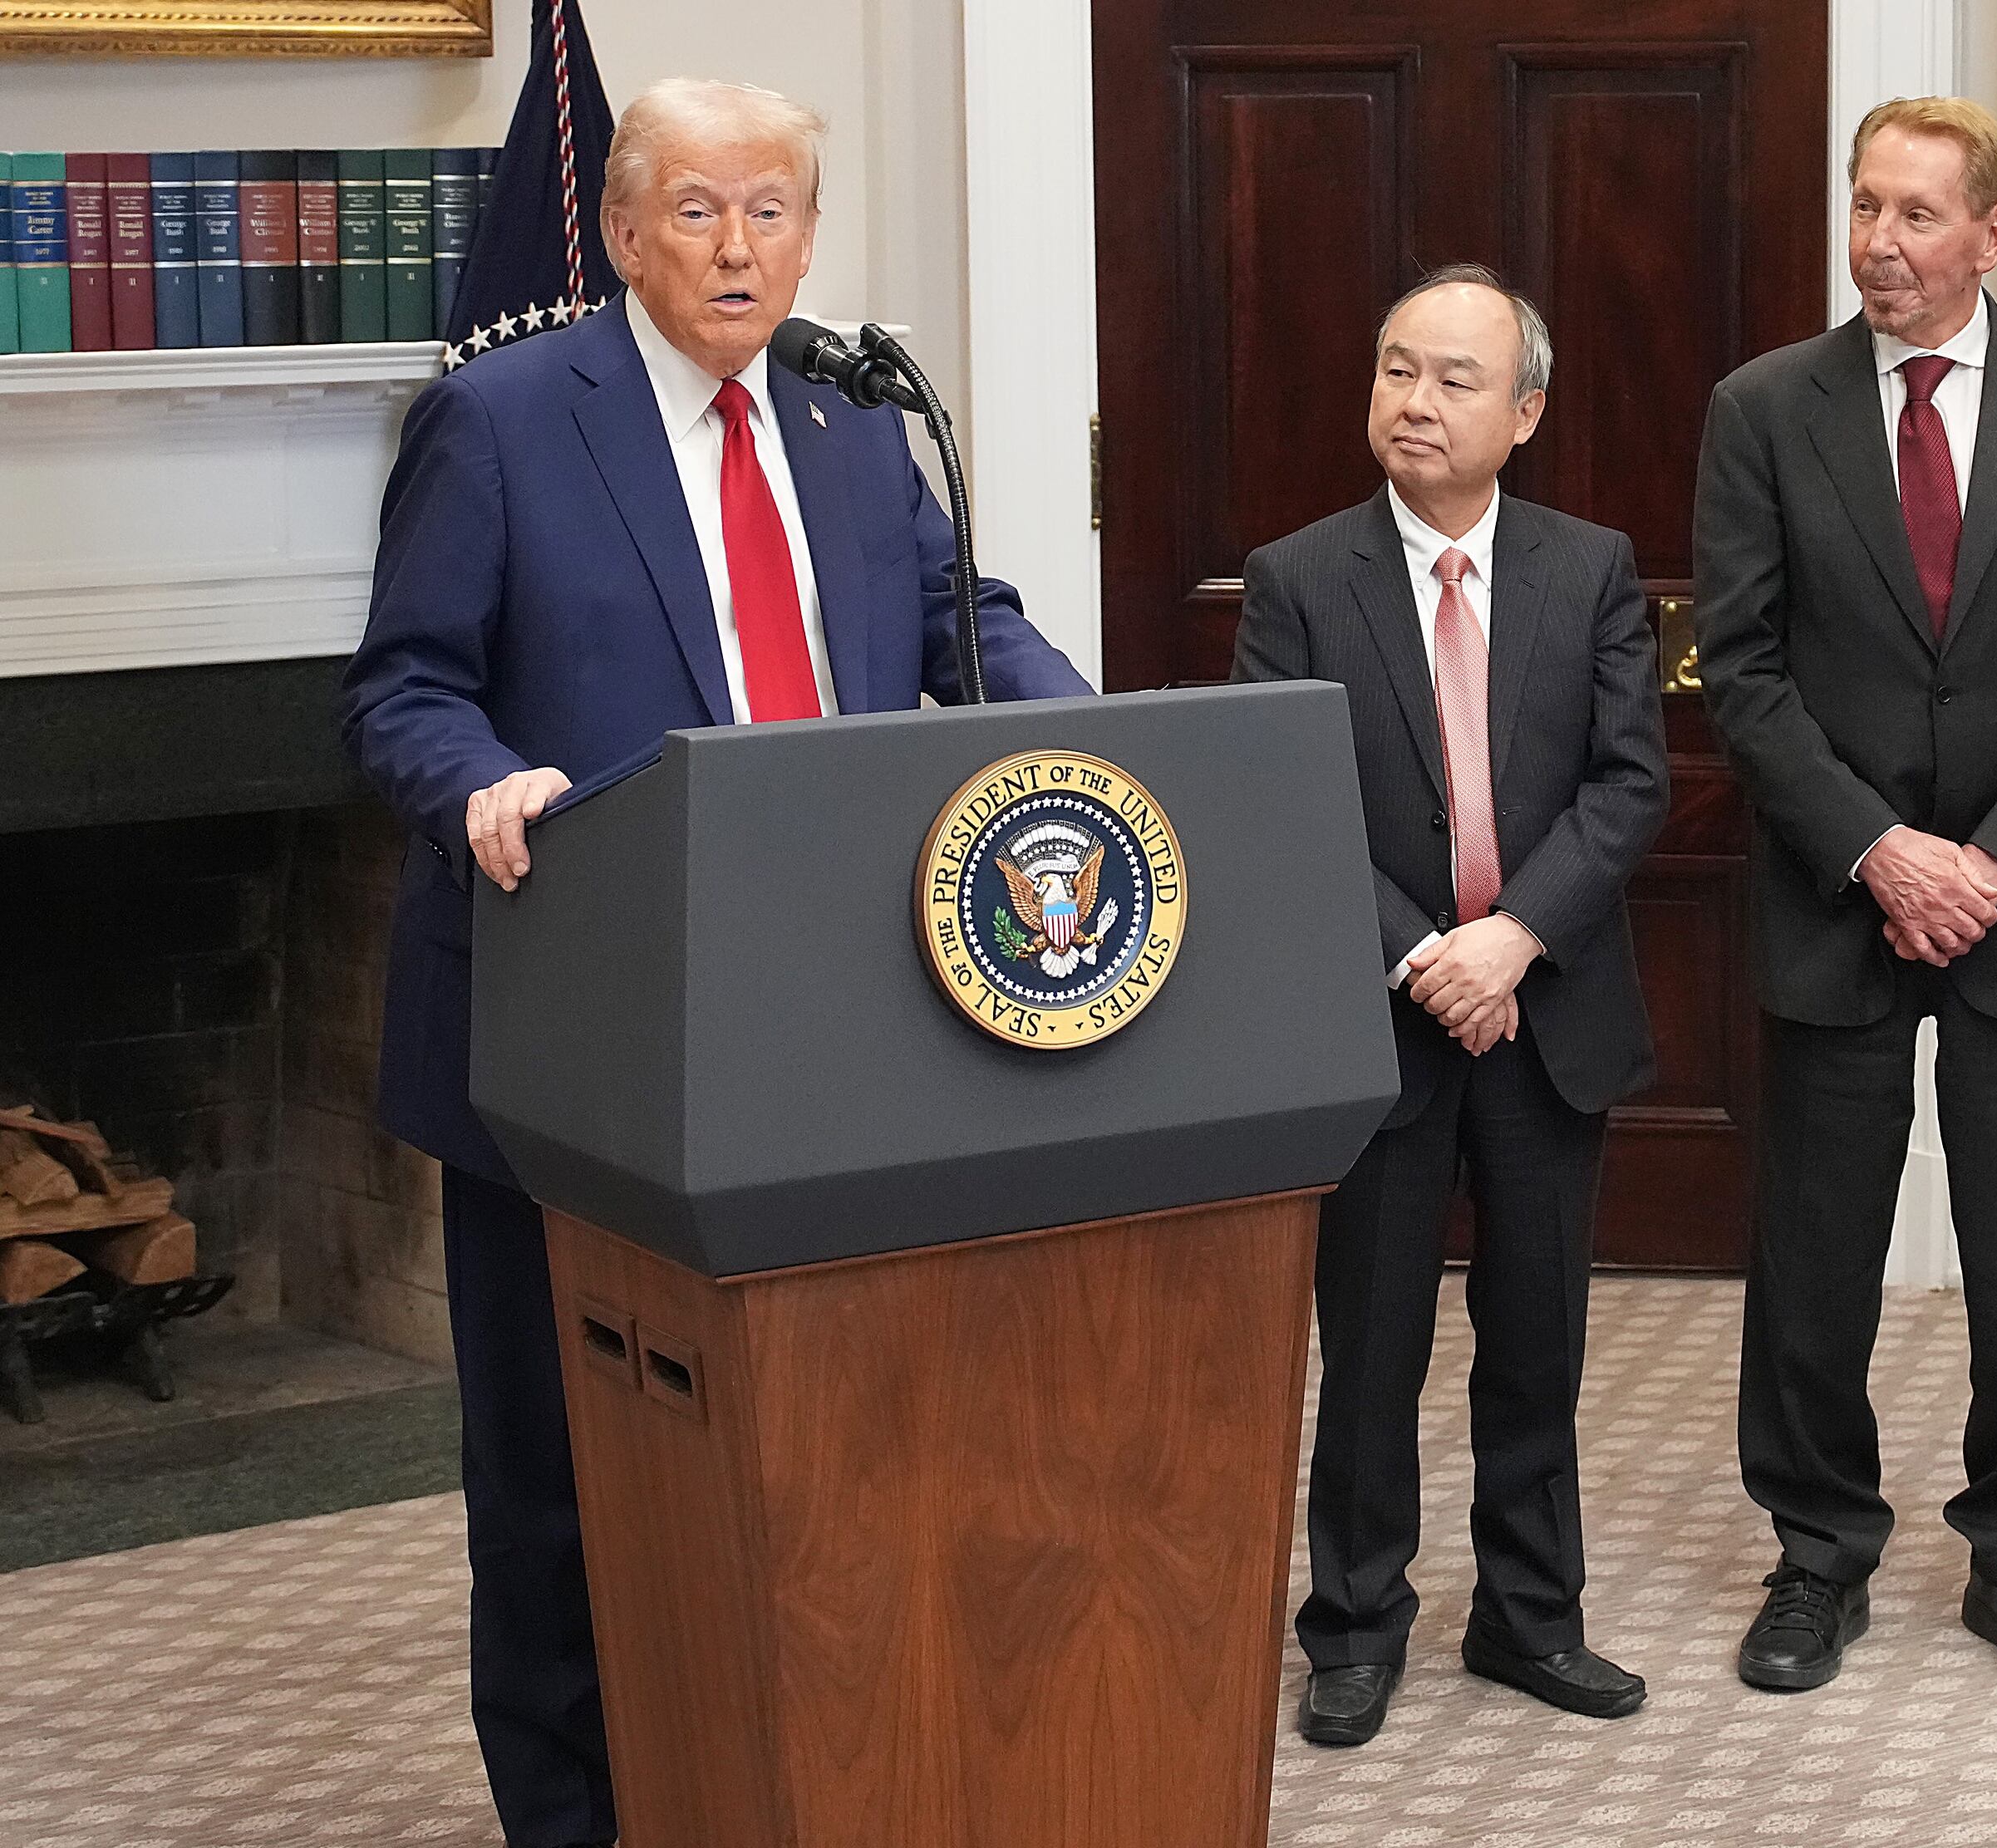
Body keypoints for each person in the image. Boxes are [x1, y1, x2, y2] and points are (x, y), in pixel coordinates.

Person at [339, 78, 1089, 1846]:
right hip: (570, 1031)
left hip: (822, 1026)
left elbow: (961, 624)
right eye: (696, 210)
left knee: (806, 1448)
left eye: (771, 211)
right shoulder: (500, 418)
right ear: (620, 232)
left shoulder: (853, 427)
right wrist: (478, 781)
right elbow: (401, 688)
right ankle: (575, 1817)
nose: (738, 246)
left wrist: (1104, 733)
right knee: (561, 1478)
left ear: (810, 241)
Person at [1691, 97, 1997, 1697]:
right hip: (1836, 889)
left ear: (1992, 232)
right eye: (1865, 208)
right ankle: (1817, 1552)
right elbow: (1742, 671)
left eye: (1915, 214)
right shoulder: (1765, 409)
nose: (1880, 244)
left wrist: (1992, 861)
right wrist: (1879, 850)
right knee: (1815, 1244)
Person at [1233, 264, 1670, 1747]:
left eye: (1455, 379)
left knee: (1537, 1338)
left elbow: (1630, 784)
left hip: (1546, 1017)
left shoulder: (1589, 568)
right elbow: (1282, 803)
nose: (1416, 402)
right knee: (1370, 1347)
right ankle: (1355, 1627)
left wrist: (1514, 942)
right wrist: (1431, 956)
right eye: (1397, 370)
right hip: (1383, 1022)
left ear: (1525, 412)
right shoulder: (1299, 578)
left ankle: (1531, 1618)